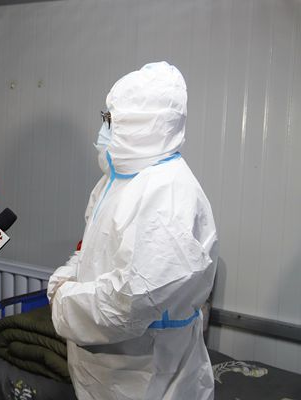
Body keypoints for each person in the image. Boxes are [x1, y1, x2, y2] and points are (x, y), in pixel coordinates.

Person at [47, 62, 218, 400]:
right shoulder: (114, 182)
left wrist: (64, 299)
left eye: (110, 120)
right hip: (105, 371)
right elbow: (91, 251)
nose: (103, 129)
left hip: (148, 377)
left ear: (142, 124)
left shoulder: (169, 192)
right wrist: (68, 273)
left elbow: (131, 301)